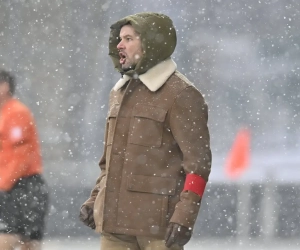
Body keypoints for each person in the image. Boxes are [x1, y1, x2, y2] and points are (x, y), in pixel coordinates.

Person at [79, 12, 212, 250]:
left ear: (152, 43)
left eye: (129, 38)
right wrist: (95, 198)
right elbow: (109, 162)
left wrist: (185, 215)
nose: (119, 45)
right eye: (119, 39)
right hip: (114, 226)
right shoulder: (118, 92)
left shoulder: (182, 94)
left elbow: (198, 165)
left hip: (158, 228)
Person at [0, 69, 49, 250]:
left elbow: (21, 156)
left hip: (23, 187)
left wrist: (3, 184)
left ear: (4, 87)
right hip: (12, 187)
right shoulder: (5, 113)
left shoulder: (15, 113)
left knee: (16, 240)